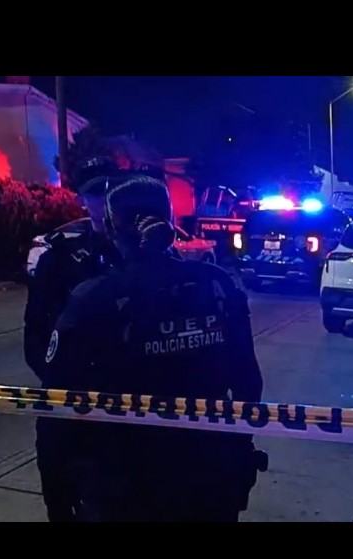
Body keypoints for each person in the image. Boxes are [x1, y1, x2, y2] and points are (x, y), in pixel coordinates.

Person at [42, 172, 266, 521]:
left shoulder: (94, 298)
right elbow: (248, 383)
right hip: (208, 474)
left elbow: (57, 405)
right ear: (170, 220)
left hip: (124, 483)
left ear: (111, 229)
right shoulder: (216, 285)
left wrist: (57, 495)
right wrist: (236, 449)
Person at [24, 157, 125, 522]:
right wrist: (60, 384)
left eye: (111, 190)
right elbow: (35, 333)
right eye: (96, 192)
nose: (104, 199)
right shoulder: (60, 258)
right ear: (83, 199)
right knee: (59, 487)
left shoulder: (136, 254)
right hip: (68, 400)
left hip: (125, 403)